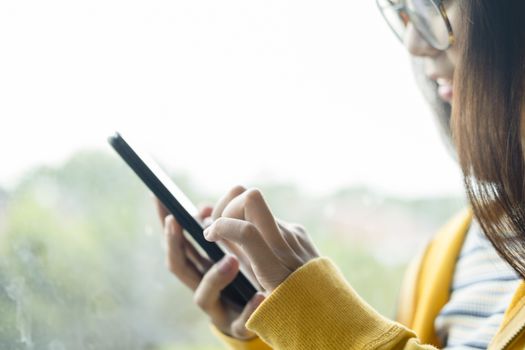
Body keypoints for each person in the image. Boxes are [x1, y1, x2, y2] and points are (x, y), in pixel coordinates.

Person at [156, 1, 525, 348]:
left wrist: (318, 316)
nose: (414, 43)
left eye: (436, 4)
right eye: (404, 8)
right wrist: (274, 326)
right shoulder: (448, 253)